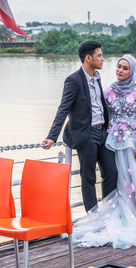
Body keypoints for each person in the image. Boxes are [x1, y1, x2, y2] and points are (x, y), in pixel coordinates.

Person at [73, 54, 136, 249]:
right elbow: (101, 113)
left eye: (125, 68)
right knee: (120, 180)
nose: (120, 71)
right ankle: (126, 216)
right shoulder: (109, 91)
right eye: (118, 67)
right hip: (113, 141)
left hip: (133, 142)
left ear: (131, 71)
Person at [43, 40, 118, 212]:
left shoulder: (97, 78)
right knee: (88, 177)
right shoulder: (73, 81)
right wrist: (52, 136)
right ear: (88, 58)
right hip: (87, 134)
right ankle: (94, 218)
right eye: (99, 55)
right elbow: (63, 109)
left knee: (112, 172)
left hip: (103, 132)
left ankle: (109, 213)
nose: (102, 59)